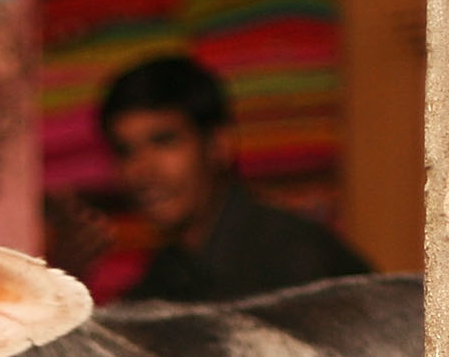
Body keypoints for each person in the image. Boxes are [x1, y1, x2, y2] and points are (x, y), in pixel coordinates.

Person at [57, 53, 372, 303]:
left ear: (219, 145)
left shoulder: (300, 263)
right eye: (125, 151)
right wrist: (60, 287)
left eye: (164, 141)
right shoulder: (162, 279)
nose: (141, 171)